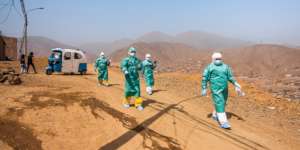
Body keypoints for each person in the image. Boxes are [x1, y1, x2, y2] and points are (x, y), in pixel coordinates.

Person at [201, 52, 242, 129]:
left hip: (224, 89)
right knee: (220, 103)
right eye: (216, 59)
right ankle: (223, 122)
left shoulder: (226, 67)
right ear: (213, 59)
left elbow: (230, 77)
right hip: (215, 89)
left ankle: (215, 114)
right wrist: (204, 88)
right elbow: (204, 78)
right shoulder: (209, 67)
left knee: (223, 103)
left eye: (219, 59)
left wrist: (235, 83)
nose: (218, 60)